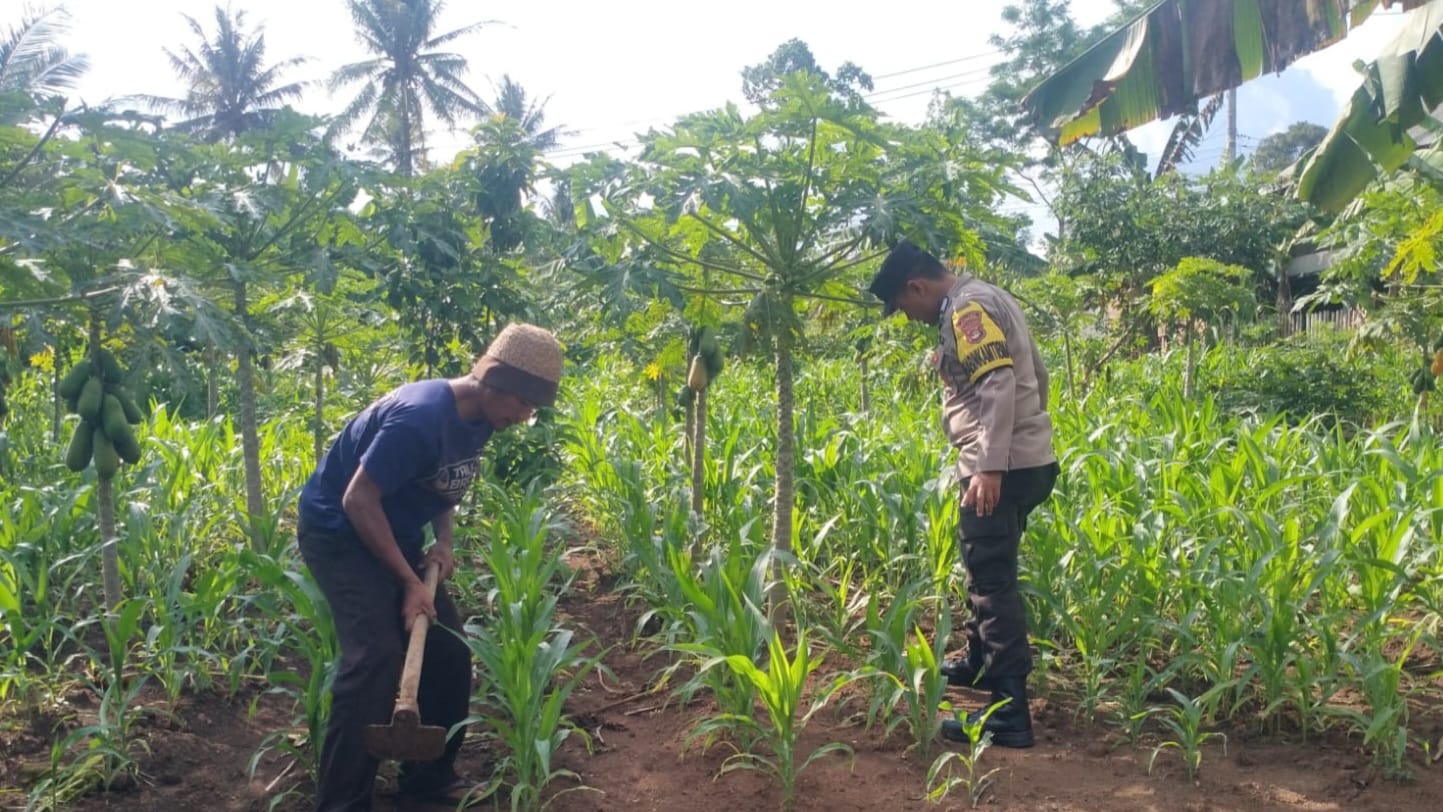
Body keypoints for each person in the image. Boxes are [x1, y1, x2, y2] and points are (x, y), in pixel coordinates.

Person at [296, 323, 563, 810]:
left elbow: (444, 481)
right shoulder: (419, 418)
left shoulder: (480, 418)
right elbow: (358, 500)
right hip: (339, 533)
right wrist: (407, 581)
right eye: (523, 404)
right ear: (496, 383)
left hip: (390, 530)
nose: (524, 417)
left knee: (448, 652)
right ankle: (340, 803)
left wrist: (442, 541)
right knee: (374, 658)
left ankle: (427, 780)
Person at [868, 241, 1057, 749]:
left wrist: (990, 467)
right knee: (986, 568)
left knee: (992, 582)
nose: (908, 318)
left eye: (904, 307)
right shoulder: (986, 296)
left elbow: (997, 383)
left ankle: (1008, 716)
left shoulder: (967, 310)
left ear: (917, 288)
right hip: (1027, 460)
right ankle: (979, 663)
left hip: (1002, 466)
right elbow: (1033, 376)